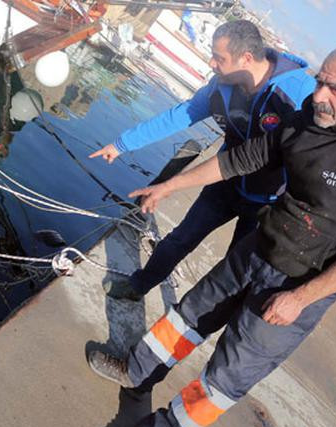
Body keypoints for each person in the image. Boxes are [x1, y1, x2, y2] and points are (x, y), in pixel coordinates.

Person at [87, 45, 336, 427]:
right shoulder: (308, 117)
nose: (319, 97)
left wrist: (300, 299)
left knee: (227, 374)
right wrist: (170, 185)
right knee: (188, 316)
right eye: (319, 82)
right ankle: (135, 371)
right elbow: (242, 158)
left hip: (303, 279)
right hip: (260, 244)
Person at [89, 20, 315, 301]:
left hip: (268, 202)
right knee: (181, 237)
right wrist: (122, 144)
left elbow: (317, 157)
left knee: (236, 269)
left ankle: (194, 326)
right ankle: (140, 285)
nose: (211, 63)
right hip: (224, 182)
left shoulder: (299, 92)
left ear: (246, 58)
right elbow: (181, 115)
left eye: (219, 58)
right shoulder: (222, 86)